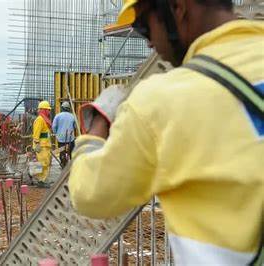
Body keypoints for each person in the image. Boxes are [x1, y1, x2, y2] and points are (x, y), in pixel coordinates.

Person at [69, 0, 263, 265]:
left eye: (143, 26)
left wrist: (97, 126)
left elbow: (89, 193)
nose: (148, 43)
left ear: (177, 8)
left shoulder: (159, 101)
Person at [32, 100, 53, 188]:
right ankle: (40, 180)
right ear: (43, 110)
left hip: (46, 145)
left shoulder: (44, 119)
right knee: (42, 163)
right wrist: (36, 144)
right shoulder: (40, 120)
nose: (49, 111)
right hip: (41, 146)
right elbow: (36, 133)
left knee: (46, 163)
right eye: (47, 109)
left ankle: (43, 179)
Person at [52, 101, 76, 168]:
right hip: (70, 139)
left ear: (62, 108)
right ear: (69, 108)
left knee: (62, 152)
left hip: (61, 139)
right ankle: (71, 165)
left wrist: (56, 134)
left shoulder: (58, 116)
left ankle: (63, 163)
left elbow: (54, 126)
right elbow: (75, 126)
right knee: (71, 152)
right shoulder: (72, 116)